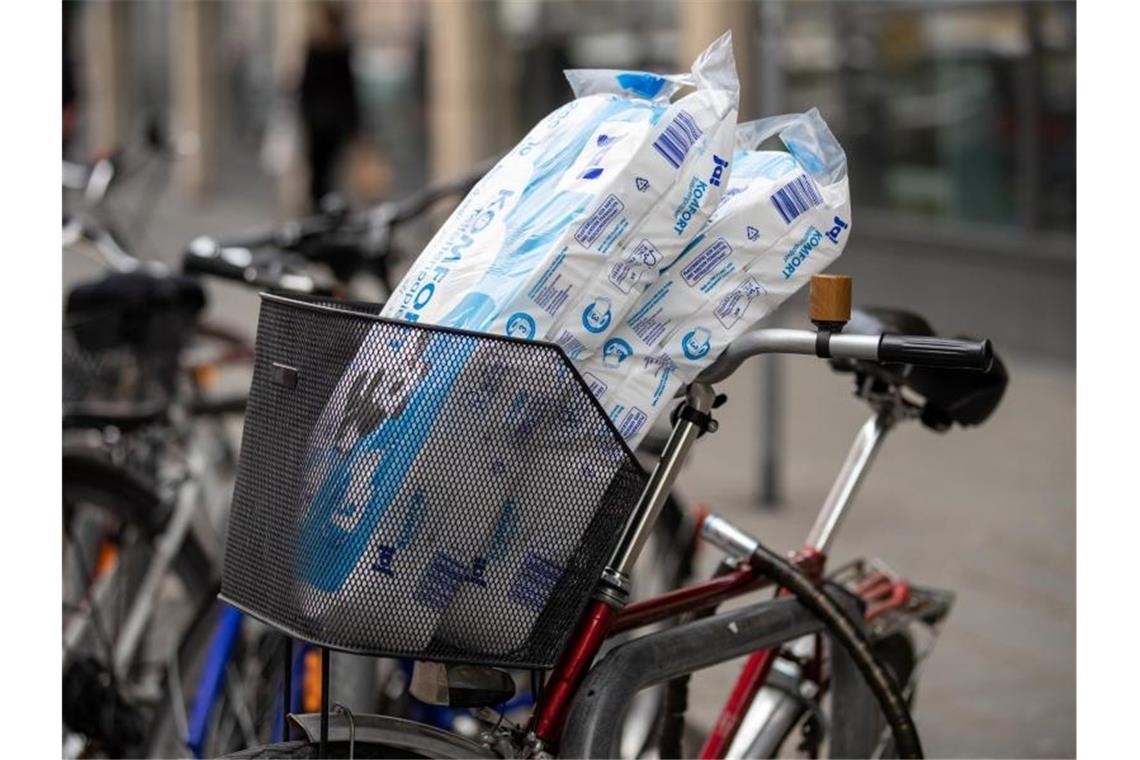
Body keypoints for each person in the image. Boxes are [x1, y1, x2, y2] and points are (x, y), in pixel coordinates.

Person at [299, 3, 362, 210]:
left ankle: (320, 209)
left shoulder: (318, 48)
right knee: (329, 169)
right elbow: (349, 91)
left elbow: (305, 88)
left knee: (319, 170)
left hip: (319, 121)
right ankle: (325, 209)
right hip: (331, 121)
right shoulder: (338, 49)